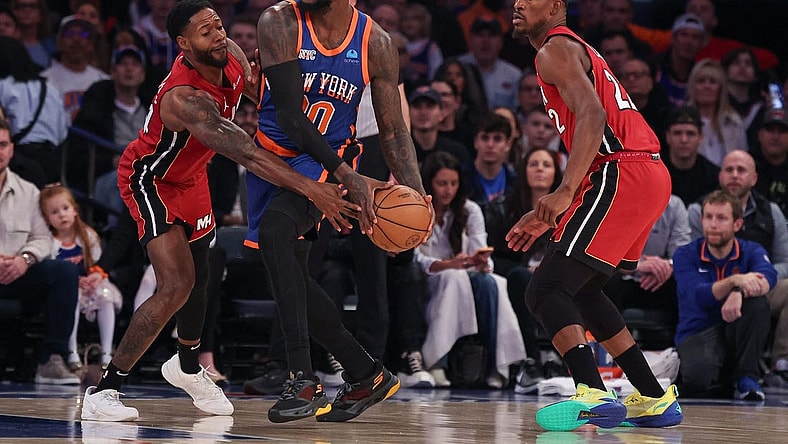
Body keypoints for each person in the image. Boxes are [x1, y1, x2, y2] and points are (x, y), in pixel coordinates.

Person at [80, 0, 359, 422]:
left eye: (218, 25)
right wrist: (312, 189)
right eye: (205, 31)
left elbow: (258, 93)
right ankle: (105, 390)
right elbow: (248, 154)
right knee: (176, 285)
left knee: (203, 272)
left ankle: (188, 366)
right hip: (150, 178)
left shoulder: (229, 55)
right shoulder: (185, 98)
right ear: (183, 43)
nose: (218, 35)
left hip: (191, 178)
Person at [251, 0, 432, 423]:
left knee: (277, 234)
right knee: (287, 266)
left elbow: (392, 129)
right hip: (274, 157)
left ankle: (302, 378)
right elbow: (292, 117)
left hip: (327, 160)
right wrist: (348, 176)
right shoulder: (279, 21)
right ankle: (366, 373)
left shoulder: (376, 42)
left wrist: (418, 194)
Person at [507, 0, 682, 431]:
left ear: (556, 7)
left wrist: (566, 190)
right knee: (582, 292)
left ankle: (593, 391)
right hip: (644, 172)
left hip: (620, 167)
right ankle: (654, 396)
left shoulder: (553, 48)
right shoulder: (569, 48)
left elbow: (593, 114)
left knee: (544, 290)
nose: (518, 3)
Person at [414, 151, 526, 389]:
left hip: (464, 274)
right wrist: (448, 264)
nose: (448, 190)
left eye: (453, 183)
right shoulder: (417, 210)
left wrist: (482, 262)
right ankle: (438, 361)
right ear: (429, 184)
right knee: (453, 278)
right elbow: (417, 258)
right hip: (430, 277)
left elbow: (481, 248)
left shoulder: (470, 210)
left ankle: (496, 365)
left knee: (493, 282)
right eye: (442, 183)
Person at [0, 119, 81, 385]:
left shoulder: (28, 192)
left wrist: (25, 260)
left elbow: (43, 239)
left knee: (64, 271)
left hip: (18, 271)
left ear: (12, 149)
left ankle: (52, 360)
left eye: (2, 145)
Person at [673, 190, 775, 400]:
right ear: (701, 220)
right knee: (698, 381)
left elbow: (768, 277)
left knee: (758, 304)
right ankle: (727, 376)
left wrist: (739, 291)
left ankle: (748, 376)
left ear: (737, 224)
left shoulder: (751, 250)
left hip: (735, 325)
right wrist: (735, 281)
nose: (713, 224)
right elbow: (698, 295)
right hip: (698, 329)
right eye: (708, 217)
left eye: (721, 218)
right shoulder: (685, 254)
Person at [40, 185, 122, 370]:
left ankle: (107, 353)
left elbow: (98, 262)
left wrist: (93, 277)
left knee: (106, 299)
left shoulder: (88, 236)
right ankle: (71, 352)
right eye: (54, 212)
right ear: (46, 218)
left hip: (91, 284)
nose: (62, 215)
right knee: (70, 299)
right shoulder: (48, 242)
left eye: (65, 208)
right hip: (69, 288)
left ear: (75, 210)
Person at [685, 59, 747, 167]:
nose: (707, 86)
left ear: (721, 88)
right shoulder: (682, 120)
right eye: (701, 81)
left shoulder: (734, 121)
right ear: (693, 86)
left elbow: (743, 160)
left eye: (712, 81)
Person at [662, 105, 720, 207]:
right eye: (677, 133)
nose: (684, 140)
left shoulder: (713, 176)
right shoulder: (656, 172)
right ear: (668, 137)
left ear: (701, 137)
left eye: (690, 133)